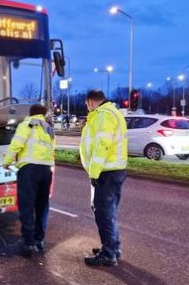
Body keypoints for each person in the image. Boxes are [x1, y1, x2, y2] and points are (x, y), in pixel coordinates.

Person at [80, 90, 128, 266]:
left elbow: (102, 145)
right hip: (114, 170)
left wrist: (94, 172)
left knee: (103, 213)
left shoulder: (103, 115)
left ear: (91, 101)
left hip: (106, 172)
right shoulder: (113, 112)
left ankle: (109, 254)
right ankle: (113, 246)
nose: (88, 108)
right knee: (109, 211)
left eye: (87, 104)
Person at [2, 104, 55, 257]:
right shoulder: (48, 128)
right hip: (46, 171)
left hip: (29, 170)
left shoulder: (27, 124)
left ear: (31, 113)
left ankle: (28, 242)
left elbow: (17, 144)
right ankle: (39, 240)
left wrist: (7, 161)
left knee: (26, 206)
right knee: (42, 206)